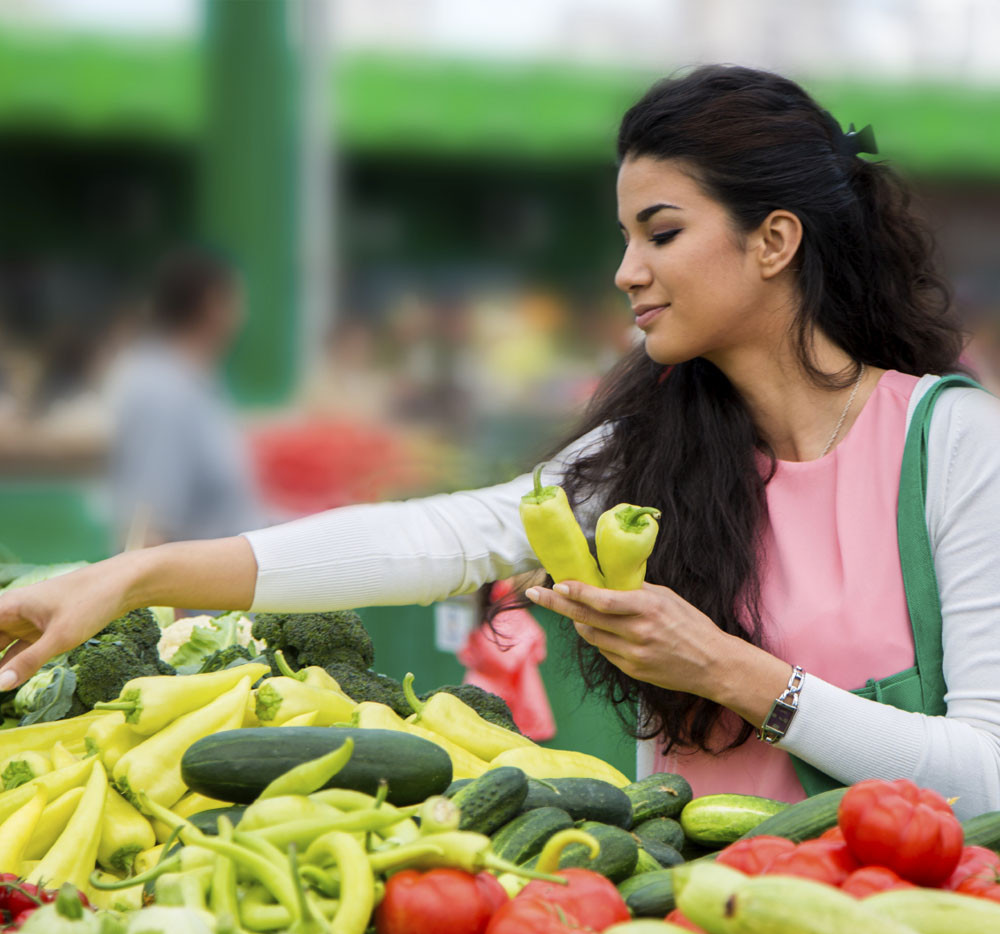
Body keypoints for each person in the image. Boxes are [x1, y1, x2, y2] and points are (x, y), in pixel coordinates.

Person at [2, 65, 1000, 817]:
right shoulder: (660, 450)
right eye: (625, 238)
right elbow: (437, 538)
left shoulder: (952, 444)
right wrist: (132, 577)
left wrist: (729, 672)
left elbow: (987, 774)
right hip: (694, 932)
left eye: (660, 233)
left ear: (774, 241)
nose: (626, 271)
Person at [103, 247, 266, 548]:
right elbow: (147, 530)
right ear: (212, 304)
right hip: (201, 577)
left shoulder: (195, 381)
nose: (244, 315)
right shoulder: (162, 391)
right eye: (236, 301)